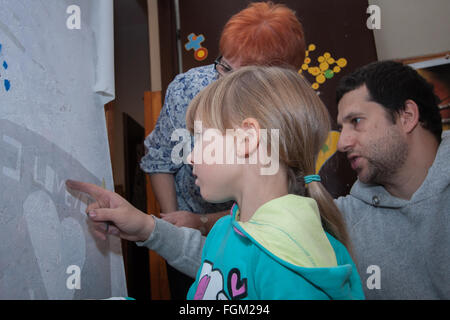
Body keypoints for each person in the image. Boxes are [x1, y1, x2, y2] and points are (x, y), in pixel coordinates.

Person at [67, 66, 364, 300]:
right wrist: (146, 227)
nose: (191, 156)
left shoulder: (288, 262)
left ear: (248, 139)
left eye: (202, 139)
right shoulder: (227, 228)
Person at [141, 1, 306, 298]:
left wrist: (203, 222)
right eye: (223, 64)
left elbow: (281, 195)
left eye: (236, 74)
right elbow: (159, 160)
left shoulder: (288, 114)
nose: (221, 78)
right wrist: (177, 226)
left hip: (253, 240)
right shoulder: (188, 89)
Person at [334, 60, 449, 299]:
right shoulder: (343, 221)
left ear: (407, 116)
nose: (342, 143)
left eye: (356, 121)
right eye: (342, 127)